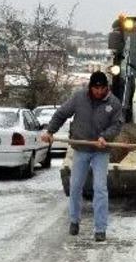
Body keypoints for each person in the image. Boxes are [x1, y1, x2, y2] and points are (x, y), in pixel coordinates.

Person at [41, 71, 123, 242]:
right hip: (81, 148)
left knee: (100, 188)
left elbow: (117, 124)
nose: (99, 92)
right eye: (96, 88)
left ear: (107, 87)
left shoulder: (114, 103)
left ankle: (100, 229)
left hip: (101, 151)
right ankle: (74, 220)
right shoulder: (79, 98)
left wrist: (105, 137)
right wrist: (50, 131)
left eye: (103, 88)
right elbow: (61, 114)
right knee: (76, 186)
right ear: (91, 87)